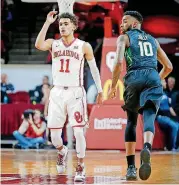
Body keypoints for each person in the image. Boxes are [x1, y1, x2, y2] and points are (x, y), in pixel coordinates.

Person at [35, 11, 103, 182]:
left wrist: (100, 90)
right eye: (60, 24)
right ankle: (61, 151)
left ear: (74, 26)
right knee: (54, 137)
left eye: (66, 23)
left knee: (79, 132)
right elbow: (38, 45)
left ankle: (80, 166)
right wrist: (47, 22)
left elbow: (94, 69)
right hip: (57, 92)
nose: (62, 26)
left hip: (76, 92)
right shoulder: (53, 43)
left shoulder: (84, 46)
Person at [108, 11, 173, 181]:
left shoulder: (124, 38)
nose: (121, 24)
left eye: (125, 21)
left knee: (131, 121)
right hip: (152, 76)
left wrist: (113, 85)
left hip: (134, 77)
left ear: (135, 24)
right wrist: (156, 80)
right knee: (150, 115)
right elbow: (169, 67)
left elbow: (118, 63)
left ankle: (130, 168)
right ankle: (147, 147)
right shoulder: (153, 40)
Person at [157, 80, 179, 151]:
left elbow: (170, 108)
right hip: (160, 117)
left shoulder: (165, 94)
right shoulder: (156, 93)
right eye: (164, 81)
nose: (165, 83)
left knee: (177, 124)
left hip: (168, 118)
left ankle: (173, 146)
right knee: (175, 126)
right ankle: (173, 147)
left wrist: (176, 117)